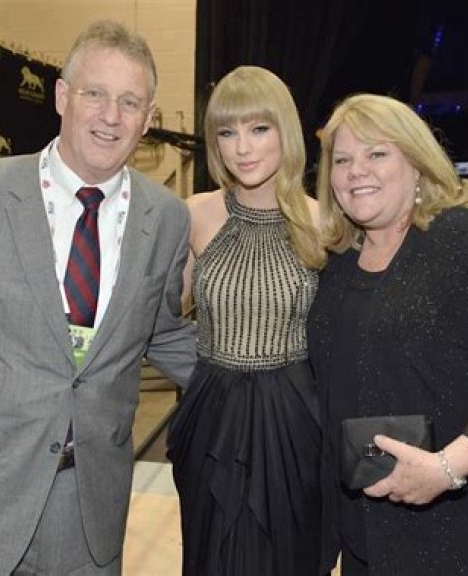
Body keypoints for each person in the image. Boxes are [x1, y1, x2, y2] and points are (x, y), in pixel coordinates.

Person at [0, 20, 196, 575]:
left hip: (90, 510)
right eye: (95, 93)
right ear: (62, 96)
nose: (111, 116)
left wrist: (272, 376)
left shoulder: (167, 219)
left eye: (130, 102)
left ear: (148, 118)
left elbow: (162, 332)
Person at [307, 93, 468, 575]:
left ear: (416, 162)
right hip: (363, 536)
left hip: (458, 537)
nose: (356, 170)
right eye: (342, 160)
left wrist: (445, 469)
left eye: (376, 153)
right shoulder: (338, 266)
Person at [166, 66, 326, 575]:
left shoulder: (323, 222)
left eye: (259, 128)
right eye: (227, 132)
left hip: (293, 422)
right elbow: (157, 319)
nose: (242, 148)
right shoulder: (194, 214)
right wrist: (200, 373)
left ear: (286, 131)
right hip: (212, 418)